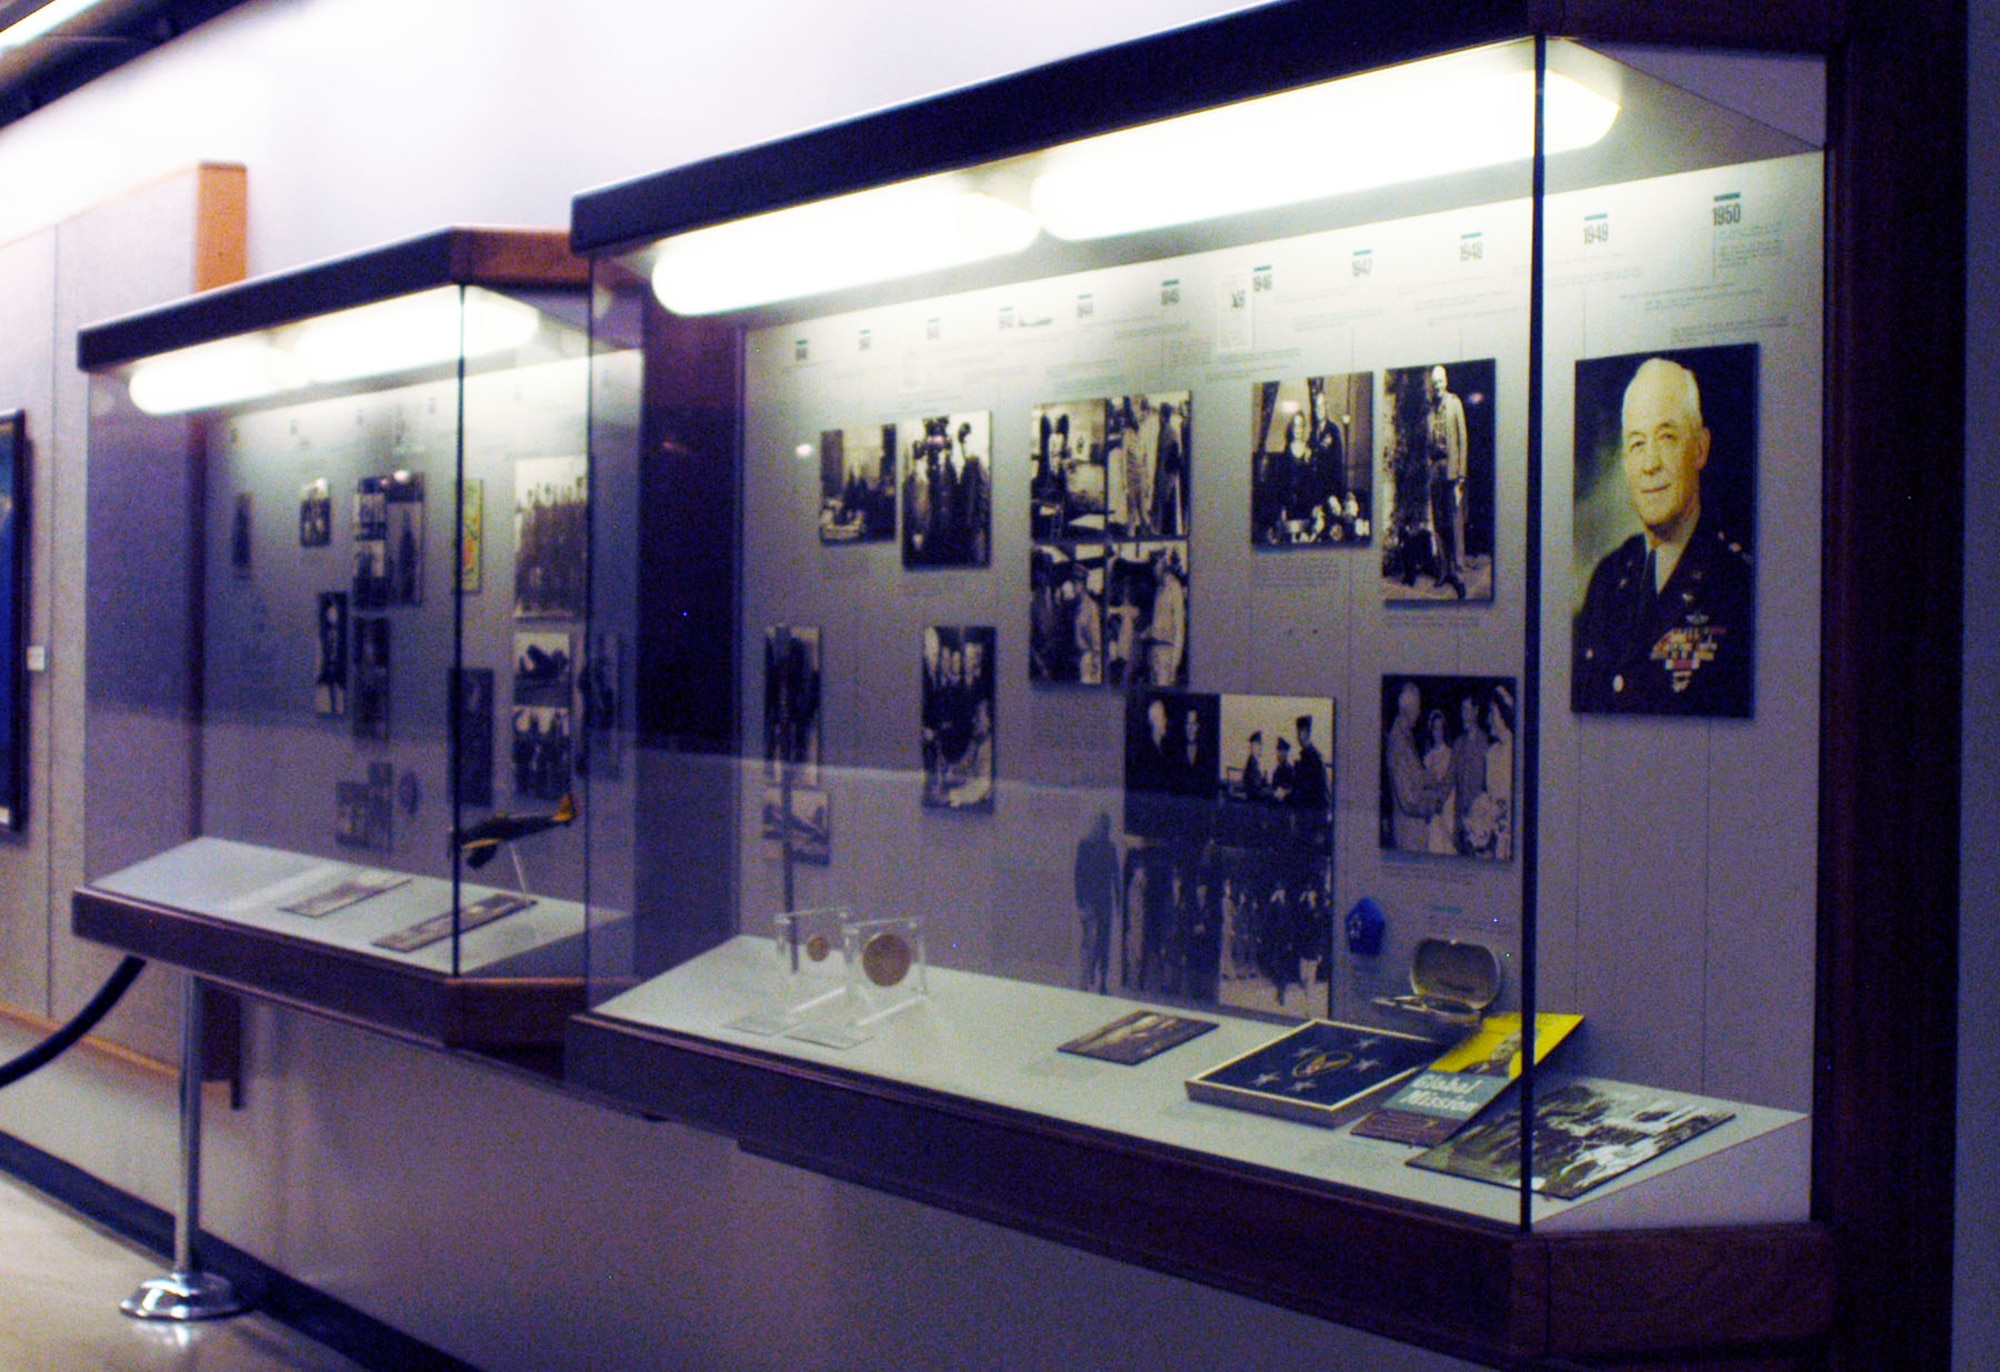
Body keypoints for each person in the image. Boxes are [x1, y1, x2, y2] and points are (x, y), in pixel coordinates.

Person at [1572, 357, 1753, 716]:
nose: (1650, 463)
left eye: (1667, 437)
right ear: (1625, 460)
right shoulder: (1609, 578)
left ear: (1699, 449)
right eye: (1637, 444)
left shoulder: (1738, 584)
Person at [1425, 364, 1468, 598]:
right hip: (1436, 470)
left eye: (1440, 381)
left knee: (1454, 525)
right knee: (1439, 523)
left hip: (1452, 472)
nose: (1438, 386)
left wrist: (1460, 478)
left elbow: (1463, 440)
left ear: (1446, 382)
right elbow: (1428, 442)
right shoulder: (1431, 409)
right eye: (1435, 382)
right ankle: (1443, 571)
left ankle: (1459, 575)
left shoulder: (1455, 403)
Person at [1383, 681, 1436, 853]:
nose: (1420, 712)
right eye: (1418, 707)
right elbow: (1409, 800)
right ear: (1408, 710)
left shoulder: (1407, 736)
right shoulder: (1398, 742)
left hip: (1414, 832)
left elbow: (1413, 776)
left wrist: (1428, 776)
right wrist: (1432, 805)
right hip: (1409, 835)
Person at [1075, 813, 1120, 993]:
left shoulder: (1110, 848)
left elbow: (1115, 874)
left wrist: (1117, 900)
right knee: (1089, 942)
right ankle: (1087, 979)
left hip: (1104, 901)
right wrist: (1081, 902)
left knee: (1103, 943)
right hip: (1092, 901)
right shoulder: (1086, 846)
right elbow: (1079, 876)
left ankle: (1101, 981)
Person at [1144, 549, 1186, 687]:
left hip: (1166, 653)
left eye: (1155, 565)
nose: (1153, 570)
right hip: (1154, 651)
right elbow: (1158, 621)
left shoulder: (1174, 588)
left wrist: (1175, 663)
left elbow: (1179, 628)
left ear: (1162, 563)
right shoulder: (1159, 590)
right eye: (1152, 566)